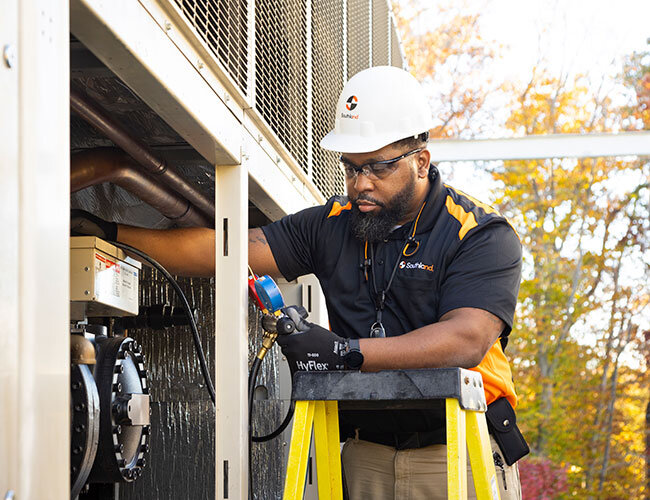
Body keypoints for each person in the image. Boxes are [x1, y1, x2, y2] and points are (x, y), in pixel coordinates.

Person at [72, 66, 528, 499]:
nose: (360, 184)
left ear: (421, 161)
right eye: (351, 168)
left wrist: (341, 353)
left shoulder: (480, 233)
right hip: (366, 451)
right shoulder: (332, 224)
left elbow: (465, 339)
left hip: (458, 450)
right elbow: (223, 249)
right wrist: (108, 232)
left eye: (377, 167)